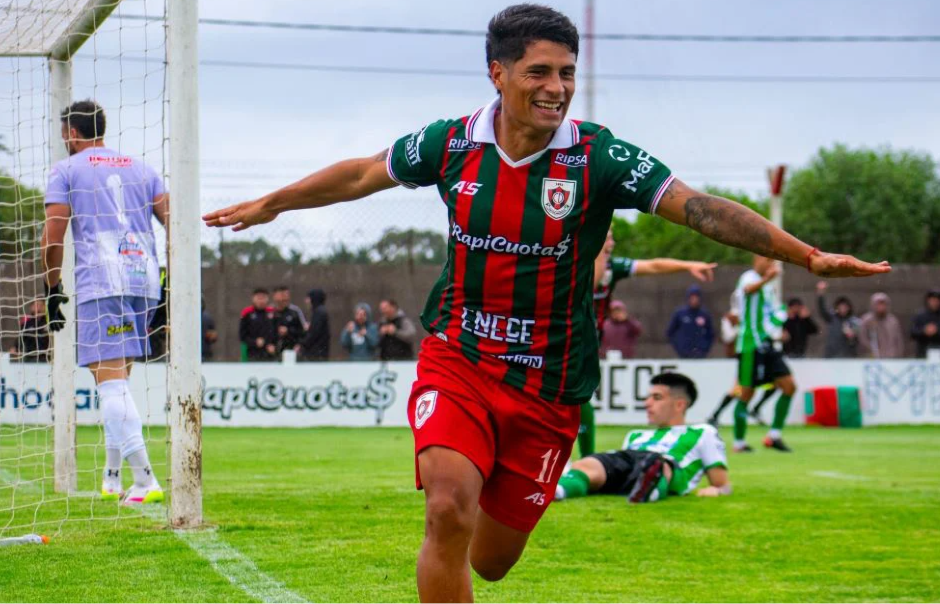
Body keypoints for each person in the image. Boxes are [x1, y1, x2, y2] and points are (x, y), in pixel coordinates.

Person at [203, 5, 888, 600]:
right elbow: (360, 173)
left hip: (550, 385)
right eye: (539, 72)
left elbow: (700, 209)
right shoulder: (451, 142)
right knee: (446, 508)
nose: (557, 88)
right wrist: (272, 202)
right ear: (497, 74)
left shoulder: (599, 157)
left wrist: (807, 256)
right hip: (460, 357)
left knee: (491, 561)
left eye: (567, 72)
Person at [42, 99, 166, 504]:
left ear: (72, 133)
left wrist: (52, 286)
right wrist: (170, 280)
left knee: (111, 386)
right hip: (143, 278)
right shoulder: (142, 167)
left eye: (64, 134)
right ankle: (113, 477)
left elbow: (53, 235)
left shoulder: (66, 170)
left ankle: (145, 479)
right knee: (117, 382)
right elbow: (173, 220)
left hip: (101, 280)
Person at [580, 230, 717, 457]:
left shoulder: (613, 267)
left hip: (589, 340)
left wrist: (688, 266)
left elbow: (653, 266)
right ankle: (574, 458)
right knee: (571, 398)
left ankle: (583, 459)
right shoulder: (579, 262)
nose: (612, 242)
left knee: (580, 397)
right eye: (608, 236)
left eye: (613, 236)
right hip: (567, 335)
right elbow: (592, 283)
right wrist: (598, 252)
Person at [556, 372, 729, 503]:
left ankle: (651, 487)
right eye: (648, 397)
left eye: (657, 398)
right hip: (630, 463)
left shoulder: (702, 432)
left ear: (679, 404)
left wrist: (718, 490)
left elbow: (722, 483)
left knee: (658, 465)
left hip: (666, 464)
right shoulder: (636, 435)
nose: (647, 403)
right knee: (588, 464)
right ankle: (558, 491)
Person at [730, 256, 797, 453]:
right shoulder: (748, 277)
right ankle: (739, 443)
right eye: (768, 259)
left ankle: (774, 436)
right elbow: (748, 290)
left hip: (767, 343)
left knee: (789, 386)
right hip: (750, 345)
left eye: (773, 261)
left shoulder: (768, 288)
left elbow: (771, 313)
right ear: (757, 259)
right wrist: (768, 278)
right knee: (746, 393)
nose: (771, 264)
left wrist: (779, 326)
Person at [666, 284, 714, 359]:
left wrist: (705, 348)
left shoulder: (704, 314)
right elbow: (670, 332)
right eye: (692, 297)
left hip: (700, 354)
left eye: (696, 297)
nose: (694, 300)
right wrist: (679, 347)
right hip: (684, 353)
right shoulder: (680, 313)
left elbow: (711, 334)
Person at [815, 281, 861, 358]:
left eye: (845, 307)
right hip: (831, 354)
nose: (843, 309)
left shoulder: (855, 321)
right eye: (840, 307)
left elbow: (858, 339)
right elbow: (822, 310)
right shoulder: (832, 318)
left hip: (848, 356)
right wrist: (820, 294)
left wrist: (852, 336)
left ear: (849, 308)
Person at [859, 293, 905, 358]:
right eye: (878, 304)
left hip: (891, 356)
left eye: (883, 304)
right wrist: (871, 349)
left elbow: (898, 340)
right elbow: (863, 338)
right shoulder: (866, 320)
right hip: (873, 357)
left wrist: (898, 354)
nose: (881, 307)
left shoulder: (893, 321)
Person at [911, 289, 940, 358]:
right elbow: (913, 332)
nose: (934, 303)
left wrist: (937, 331)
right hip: (923, 353)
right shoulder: (920, 316)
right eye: (932, 300)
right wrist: (924, 331)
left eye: (937, 300)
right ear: (928, 301)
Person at [239, 288, 276, 362]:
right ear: (253, 299)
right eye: (259, 298)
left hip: (270, 355)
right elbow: (242, 336)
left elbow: (276, 333)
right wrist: (254, 342)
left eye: (263, 298)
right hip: (252, 355)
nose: (261, 301)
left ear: (267, 299)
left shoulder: (273, 313)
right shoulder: (247, 313)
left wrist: (272, 345)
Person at [272, 285, 307, 356]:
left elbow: (303, 331)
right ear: (275, 297)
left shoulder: (295, 311)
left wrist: (289, 331)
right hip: (272, 352)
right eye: (282, 295)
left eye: (287, 295)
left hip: (292, 350)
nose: (284, 298)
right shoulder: (269, 311)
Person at [300, 289, 330, 361]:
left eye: (308, 298)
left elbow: (314, 333)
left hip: (317, 353)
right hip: (319, 352)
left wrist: (302, 343)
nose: (306, 301)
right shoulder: (320, 311)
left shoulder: (319, 312)